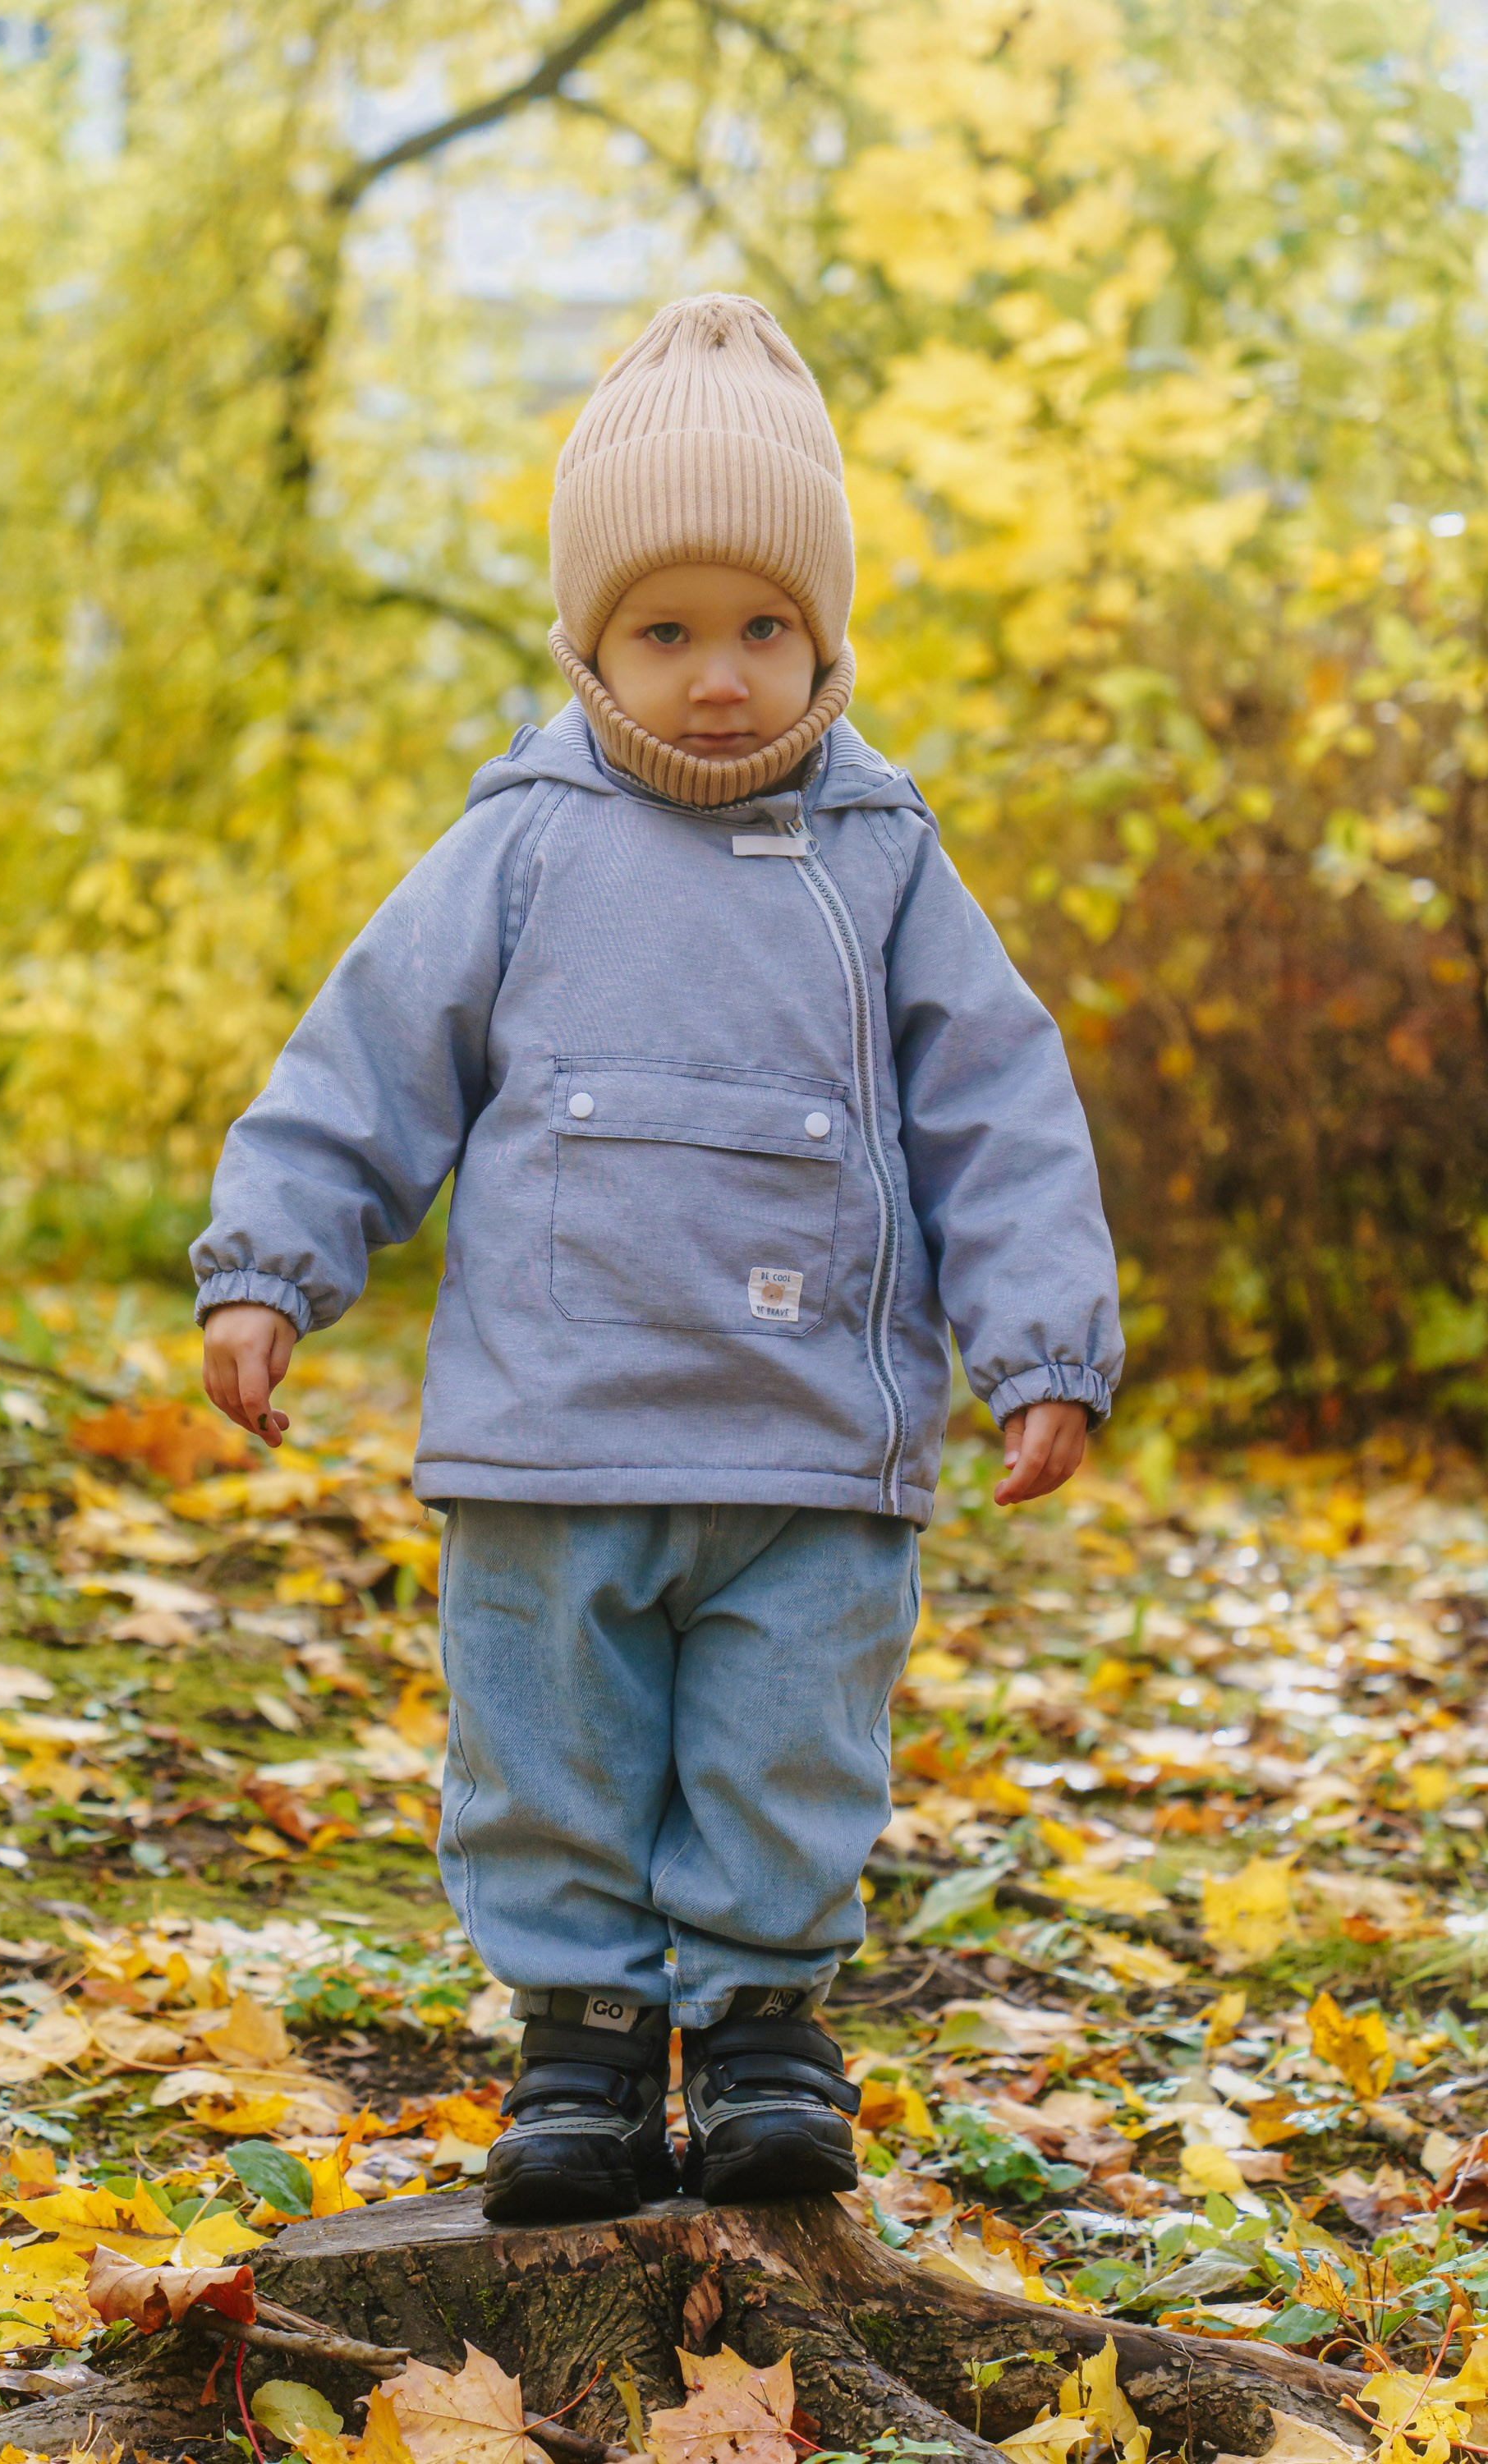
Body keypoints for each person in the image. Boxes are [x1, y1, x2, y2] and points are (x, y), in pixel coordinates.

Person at [192, 294, 1123, 2227]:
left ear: (825, 637)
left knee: (792, 1744)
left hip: (809, 1446)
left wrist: (1040, 1343)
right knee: (550, 1742)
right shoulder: (522, 844)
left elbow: (999, 1114)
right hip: (554, 1434)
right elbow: (369, 1060)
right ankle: (583, 2048)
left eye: (762, 629)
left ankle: (769, 2028)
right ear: (591, 640)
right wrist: (269, 1261)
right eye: (667, 631)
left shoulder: (881, 857)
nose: (719, 679)